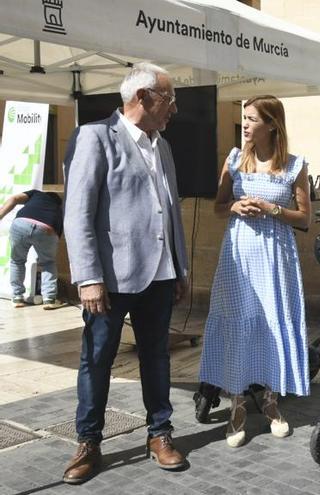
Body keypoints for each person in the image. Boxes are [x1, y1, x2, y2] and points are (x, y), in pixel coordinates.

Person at [62, 62, 189, 484]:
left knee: (156, 357)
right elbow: (78, 213)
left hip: (160, 273)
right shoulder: (95, 137)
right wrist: (88, 277)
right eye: (169, 99)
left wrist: (180, 266)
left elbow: (171, 211)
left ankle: (160, 433)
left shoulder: (165, 145)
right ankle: (89, 441)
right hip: (111, 279)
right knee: (96, 359)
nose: (174, 108)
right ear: (143, 98)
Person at [198, 95, 312, 448]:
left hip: (276, 257)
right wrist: (235, 204)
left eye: (251, 119)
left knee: (272, 323)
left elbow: (306, 219)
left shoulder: (295, 165)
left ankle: (271, 403)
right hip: (239, 256)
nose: (244, 124)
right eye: (243, 118)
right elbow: (217, 208)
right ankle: (237, 407)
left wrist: (272, 208)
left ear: (272, 125)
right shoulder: (234, 159)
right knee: (238, 323)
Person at [0, 190, 65, 309]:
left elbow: (13, 199)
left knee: (17, 261)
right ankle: (49, 299)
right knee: (48, 263)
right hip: (47, 228)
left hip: (21, 223)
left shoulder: (36, 194)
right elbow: (57, 234)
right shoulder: (58, 209)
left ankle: (17, 297)